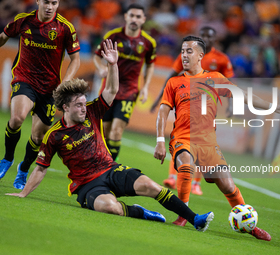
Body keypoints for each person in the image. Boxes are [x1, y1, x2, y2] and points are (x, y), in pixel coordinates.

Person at [6, 39, 214, 232]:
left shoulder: (93, 110)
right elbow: (41, 169)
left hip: (110, 169)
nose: (83, 108)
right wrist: (23, 193)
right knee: (110, 207)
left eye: (83, 103)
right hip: (87, 185)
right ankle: (141, 212)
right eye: (78, 105)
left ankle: (195, 219)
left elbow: (112, 90)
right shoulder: (54, 135)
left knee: (151, 186)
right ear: (64, 107)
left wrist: (113, 65)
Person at [154, 35, 280, 240]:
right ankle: (183, 214)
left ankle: (250, 226)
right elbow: (162, 113)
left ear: (201, 55)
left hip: (209, 143)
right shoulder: (174, 82)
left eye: (189, 51)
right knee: (186, 164)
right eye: (182, 51)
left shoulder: (215, 79)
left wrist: (275, 106)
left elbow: (244, 96)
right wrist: (159, 141)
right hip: (183, 138)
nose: (184, 55)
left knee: (228, 186)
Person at [0, 0, 80, 189]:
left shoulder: (65, 28)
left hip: (50, 88)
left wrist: (65, 83)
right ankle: (7, 159)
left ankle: (23, 168)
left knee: (38, 137)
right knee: (18, 117)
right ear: (38, 1)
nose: (49, 6)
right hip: (24, 78)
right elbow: (4, 35)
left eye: (54, 2)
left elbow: (75, 59)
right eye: (46, 2)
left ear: (58, 3)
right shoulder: (23, 20)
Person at [151, 26, 234, 196]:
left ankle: (196, 183)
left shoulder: (221, 60)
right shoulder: (189, 54)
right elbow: (172, 75)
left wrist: (232, 104)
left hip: (207, 101)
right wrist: (160, 97)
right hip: (187, 97)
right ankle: (174, 179)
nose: (185, 55)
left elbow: (231, 84)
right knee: (183, 138)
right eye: (203, 34)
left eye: (208, 35)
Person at [93, 3, 156, 161]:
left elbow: (150, 65)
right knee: (105, 132)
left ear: (143, 19)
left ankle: (109, 168)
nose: (134, 19)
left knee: (116, 130)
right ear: (126, 17)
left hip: (129, 90)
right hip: (109, 89)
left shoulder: (148, 43)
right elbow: (97, 55)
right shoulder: (113, 36)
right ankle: (101, 162)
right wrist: (101, 68)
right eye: (132, 15)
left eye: (138, 16)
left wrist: (146, 87)